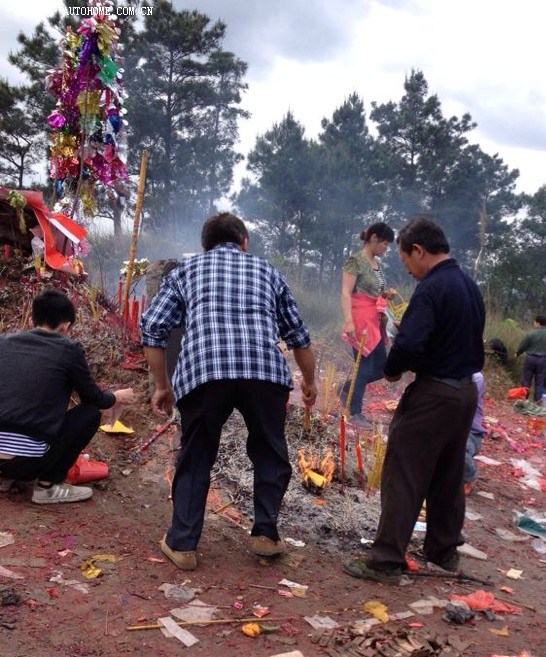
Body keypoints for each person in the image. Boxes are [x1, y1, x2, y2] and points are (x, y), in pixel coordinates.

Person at [141, 212, 317, 571]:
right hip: (264, 372)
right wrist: (310, 382)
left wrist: (162, 385)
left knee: (196, 455)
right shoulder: (269, 272)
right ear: (244, 241)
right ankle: (266, 535)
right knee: (270, 452)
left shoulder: (186, 272)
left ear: (204, 245)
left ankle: (183, 544)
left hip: (205, 372)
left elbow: (153, 329)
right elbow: (299, 336)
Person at [343, 216, 485, 584]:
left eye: (406, 260)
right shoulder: (469, 285)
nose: (408, 270)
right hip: (465, 393)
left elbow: (410, 342)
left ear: (419, 250)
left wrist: (392, 369)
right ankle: (443, 549)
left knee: (404, 470)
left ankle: (387, 558)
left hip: (434, 394)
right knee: (447, 473)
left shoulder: (433, 287)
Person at [0, 289, 135, 503]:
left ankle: (5, 478)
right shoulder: (68, 349)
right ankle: (47, 487)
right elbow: (93, 399)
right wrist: (116, 396)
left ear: (33, 318)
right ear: (66, 324)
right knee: (90, 414)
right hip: (28, 463)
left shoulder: (4, 342)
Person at [339, 222, 397, 428]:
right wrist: (348, 321)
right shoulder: (355, 261)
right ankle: (355, 412)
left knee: (381, 367)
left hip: (374, 319)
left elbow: (375, 290)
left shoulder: (376, 263)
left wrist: (385, 294)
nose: (386, 248)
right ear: (373, 238)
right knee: (363, 365)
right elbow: (346, 292)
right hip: (359, 318)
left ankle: (345, 388)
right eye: (384, 243)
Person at [515, 315, 546, 402]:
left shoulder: (530, 334)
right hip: (543, 360)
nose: (534, 323)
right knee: (539, 383)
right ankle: (537, 402)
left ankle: (524, 400)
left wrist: (517, 353)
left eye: (534, 322)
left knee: (526, 380)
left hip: (530, 359)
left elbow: (523, 346)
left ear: (538, 323)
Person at [463, 371, 486, 494]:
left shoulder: (476, 377)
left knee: (460, 449)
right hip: (449, 427)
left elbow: (462, 401)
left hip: (470, 433)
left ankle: (469, 477)